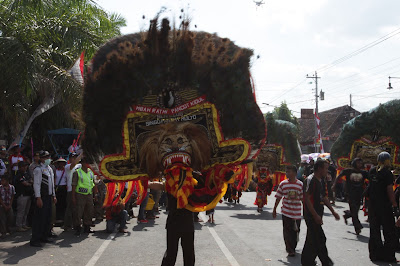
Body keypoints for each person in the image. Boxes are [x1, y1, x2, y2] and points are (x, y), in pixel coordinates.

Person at [301, 159, 340, 266]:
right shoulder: (310, 180)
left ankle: (307, 261)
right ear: (319, 168)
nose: (327, 171)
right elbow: (307, 199)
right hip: (311, 215)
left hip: (318, 213)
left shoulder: (321, 180)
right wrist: (315, 215)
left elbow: (324, 197)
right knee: (320, 238)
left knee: (312, 238)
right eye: (326, 168)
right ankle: (326, 262)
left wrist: (333, 211)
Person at [367, 152, 397, 262]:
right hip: (385, 206)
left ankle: (375, 255)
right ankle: (388, 256)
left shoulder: (371, 171)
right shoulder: (387, 173)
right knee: (389, 231)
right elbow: (390, 190)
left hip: (373, 205)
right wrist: (394, 204)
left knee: (374, 230)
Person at [273, 165, 303, 257]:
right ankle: (290, 249)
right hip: (286, 212)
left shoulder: (300, 185)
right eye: (286, 172)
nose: (287, 174)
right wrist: (274, 209)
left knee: (296, 231)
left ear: (295, 173)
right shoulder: (283, 184)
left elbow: (303, 199)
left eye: (289, 172)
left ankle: (292, 246)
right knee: (287, 231)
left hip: (297, 213)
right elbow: (278, 197)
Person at [332, 158, 368, 235]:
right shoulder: (348, 171)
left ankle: (347, 215)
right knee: (354, 210)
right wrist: (334, 185)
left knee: (355, 211)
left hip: (359, 194)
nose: (359, 165)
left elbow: (371, 178)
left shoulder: (364, 173)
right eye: (358, 163)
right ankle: (357, 227)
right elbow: (339, 176)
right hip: (350, 194)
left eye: (360, 163)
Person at [30, 150, 56, 247]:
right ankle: (35, 239)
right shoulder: (38, 169)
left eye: (48, 157)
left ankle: (44, 236)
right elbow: (36, 184)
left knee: (47, 218)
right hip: (42, 196)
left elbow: (52, 184)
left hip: (49, 196)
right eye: (45, 157)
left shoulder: (49, 169)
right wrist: (38, 197)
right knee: (39, 219)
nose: (47, 159)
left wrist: (53, 195)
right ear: (41, 159)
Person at [161, 192, 195, 266]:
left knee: (186, 254)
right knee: (172, 254)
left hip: (182, 223)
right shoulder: (171, 183)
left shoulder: (192, 183)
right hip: (178, 222)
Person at [72, 156, 97, 236]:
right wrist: (73, 196)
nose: (87, 164)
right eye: (86, 162)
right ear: (82, 163)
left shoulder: (90, 172)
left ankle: (87, 227)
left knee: (89, 210)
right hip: (80, 194)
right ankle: (78, 228)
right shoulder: (77, 172)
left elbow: (93, 183)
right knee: (79, 212)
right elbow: (74, 185)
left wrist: (95, 194)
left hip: (89, 194)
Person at [63, 152, 82, 230]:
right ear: (70, 158)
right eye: (73, 157)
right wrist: (81, 154)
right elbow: (73, 164)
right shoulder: (67, 166)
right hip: (71, 190)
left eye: (75, 157)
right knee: (70, 208)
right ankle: (67, 225)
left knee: (77, 208)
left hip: (78, 190)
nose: (74, 159)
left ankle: (76, 224)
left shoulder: (79, 166)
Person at [15, 161, 33, 232]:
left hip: (28, 194)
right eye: (23, 166)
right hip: (22, 194)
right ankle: (18, 225)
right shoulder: (18, 174)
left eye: (25, 166)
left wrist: (29, 182)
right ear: (19, 167)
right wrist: (29, 183)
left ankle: (24, 224)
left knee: (26, 211)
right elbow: (25, 183)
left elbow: (31, 181)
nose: (25, 167)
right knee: (21, 211)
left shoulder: (27, 174)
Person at [54, 157, 68, 223]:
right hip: (57, 187)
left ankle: (63, 218)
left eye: (62, 163)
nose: (61, 164)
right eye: (60, 163)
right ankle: (58, 218)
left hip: (64, 187)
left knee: (64, 203)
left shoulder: (66, 171)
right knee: (58, 203)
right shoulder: (55, 171)